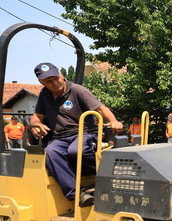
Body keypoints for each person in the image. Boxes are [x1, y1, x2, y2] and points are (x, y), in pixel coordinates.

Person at [29, 62, 122, 207]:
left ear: (61, 75)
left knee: (76, 150)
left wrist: (113, 121)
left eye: (56, 78)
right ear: (42, 82)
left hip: (83, 133)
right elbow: (37, 116)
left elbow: (100, 108)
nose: (55, 83)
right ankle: (78, 194)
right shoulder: (44, 94)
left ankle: (105, 174)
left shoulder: (78, 90)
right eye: (49, 81)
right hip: (59, 137)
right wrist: (36, 124)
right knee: (50, 152)